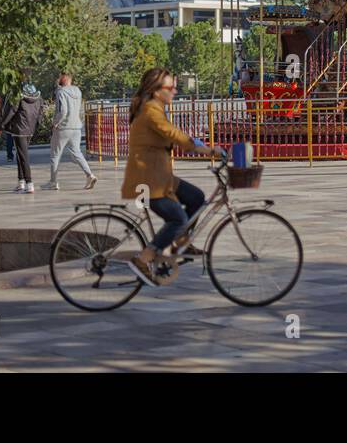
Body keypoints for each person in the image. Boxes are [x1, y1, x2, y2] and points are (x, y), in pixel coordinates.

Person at [121, 68, 223, 287]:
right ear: (157, 91)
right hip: (147, 180)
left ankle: (180, 242)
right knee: (178, 219)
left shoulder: (154, 108)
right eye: (170, 87)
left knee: (196, 197)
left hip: (159, 175)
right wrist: (206, 150)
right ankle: (143, 259)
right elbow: (173, 134)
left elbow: (172, 132)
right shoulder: (150, 111)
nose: (175, 91)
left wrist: (201, 146)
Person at [46, 72, 98, 191]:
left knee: (55, 155)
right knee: (77, 153)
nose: (57, 79)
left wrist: (55, 123)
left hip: (63, 128)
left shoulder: (61, 92)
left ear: (64, 79)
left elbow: (62, 111)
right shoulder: (78, 91)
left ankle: (53, 182)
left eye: (59, 77)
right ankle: (90, 175)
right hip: (76, 127)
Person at [6, 82, 45, 193]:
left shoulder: (18, 95)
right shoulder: (37, 96)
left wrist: (2, 125)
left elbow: (11, 111)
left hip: (19, 129)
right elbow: (40, 111)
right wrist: (36, 124)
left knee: (23, 156)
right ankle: (21, 182)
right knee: (20, 154)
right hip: (30, 129)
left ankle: (29, 183)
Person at [0, 92, 17, 163]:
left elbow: (3, 115)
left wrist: (1, 126)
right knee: (14, 140)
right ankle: (15, 155)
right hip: (15, 123)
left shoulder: (5, 102)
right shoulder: (10, 99)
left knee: (10, 139)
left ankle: (10, 156)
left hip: (9, 123)